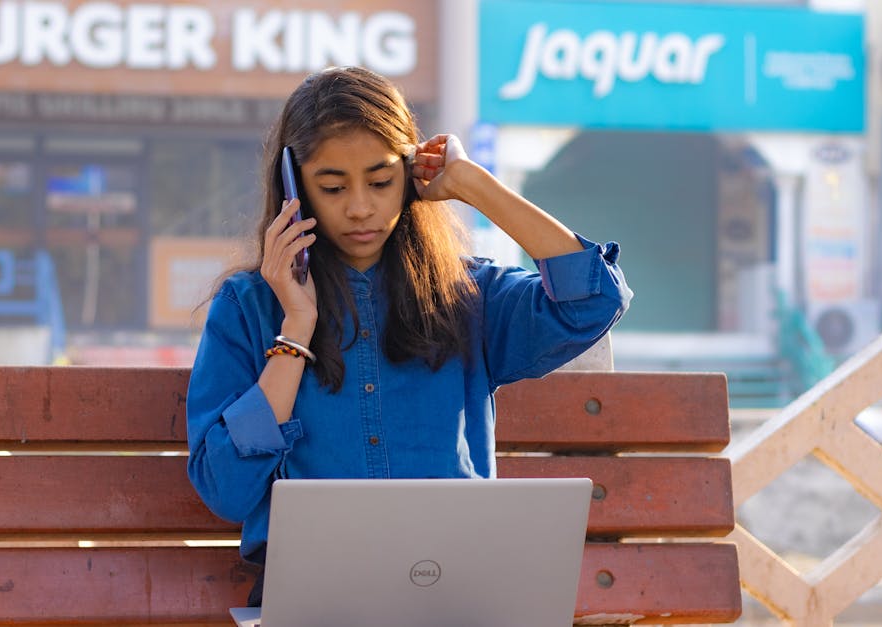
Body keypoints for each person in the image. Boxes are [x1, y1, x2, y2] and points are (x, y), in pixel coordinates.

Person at [185, 66, 631, 606]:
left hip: (457, 595)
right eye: (331, 186)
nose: (359, 207)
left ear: (410, 174)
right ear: (293, 189)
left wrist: (474, 185)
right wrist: (295, 330)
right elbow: (227, 489)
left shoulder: (470, 295)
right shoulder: (248, 307)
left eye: (379, 181)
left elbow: (594, 300)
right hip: (316, 600)